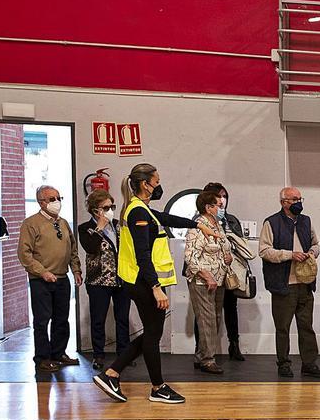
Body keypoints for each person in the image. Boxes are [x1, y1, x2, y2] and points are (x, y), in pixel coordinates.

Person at [93, 163, 217, 404]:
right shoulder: (138, 212)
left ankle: (112, 373)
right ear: (144, 184)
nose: (159, 186)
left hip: (140, 281)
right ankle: (157, 387)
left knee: (152, 332)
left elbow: (166, 217)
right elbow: (142, 255)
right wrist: (156, 287)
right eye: (156, 182)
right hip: (142, 282)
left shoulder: (143, 209)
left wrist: (198, 224)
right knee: (152, 334)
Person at [260, 187, 320, 379]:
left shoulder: (306, 221)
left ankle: (309, 363)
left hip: (305, 283)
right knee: (283, 327)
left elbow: (316, 244)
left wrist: (313, 253)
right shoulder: (271, 222)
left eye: (300, 198)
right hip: (283, 284)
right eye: (294, 199)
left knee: (306, 325)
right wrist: (290, 255)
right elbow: (264, 251)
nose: (298, 202)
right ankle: (283, 363)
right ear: (283, 202)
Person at [18, 184, 83, 372]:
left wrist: (76, 270)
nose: (57, 202)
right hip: (41, 280)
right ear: (41, 202)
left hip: (62, 279)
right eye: (52, 199)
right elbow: (24, 254)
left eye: (58, 198)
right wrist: (42, 272)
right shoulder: (31, 224)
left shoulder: (62, 223)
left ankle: (58, 353)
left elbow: (72, 249)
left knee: (62, 319)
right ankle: (42, 358)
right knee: (42, 321)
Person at [77, 189, 129, 371]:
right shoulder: (85, 228)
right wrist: (99, 227)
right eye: (106, 207)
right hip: (98, 281)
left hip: (120, 280)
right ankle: (98, 354)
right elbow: (90, 248)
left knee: (122, 318)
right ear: (95, 210)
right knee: (98, 319)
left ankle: (124, 354)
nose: (110, 210)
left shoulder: (118, 225)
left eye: (112, 206)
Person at [184, 189, 233, 374]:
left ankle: (201, 354)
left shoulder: (218, 225)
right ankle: (207, 359)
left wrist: (227, 257)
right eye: (218, 204)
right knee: (207, 320)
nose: (222, 206)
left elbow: (222, 246)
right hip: (202, 282)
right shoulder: (198, 226)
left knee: (215, 318)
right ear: (208, 207)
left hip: (219, 280)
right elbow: (190, 257)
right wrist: (206, 275)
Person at [203, 182, 246, 361]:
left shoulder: (231, 220)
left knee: (231, 307)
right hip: (208, 272)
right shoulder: (200, 220)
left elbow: (241, 244)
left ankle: (234, 344)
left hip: (229, 270)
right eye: (218, 197)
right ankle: (203, 350)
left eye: (224, 197)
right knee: (206, 312)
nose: (222, 201)